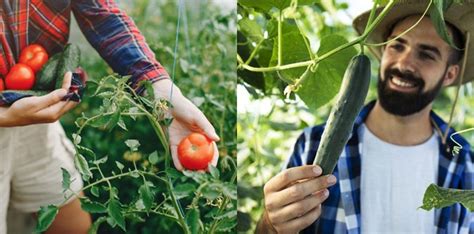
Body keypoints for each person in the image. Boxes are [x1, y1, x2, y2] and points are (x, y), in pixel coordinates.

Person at [0, 1, 219, 233]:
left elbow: (100, 13)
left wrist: (159, 88)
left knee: (72, 225)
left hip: (34, 114)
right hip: (19, 111)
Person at [257, 1, 474, 233]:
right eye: (397, 46)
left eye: (426, 55)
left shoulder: (465, 162)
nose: (404, 63)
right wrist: (271, 224)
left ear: (450, 74)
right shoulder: (312, 144)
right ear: (382, 51)